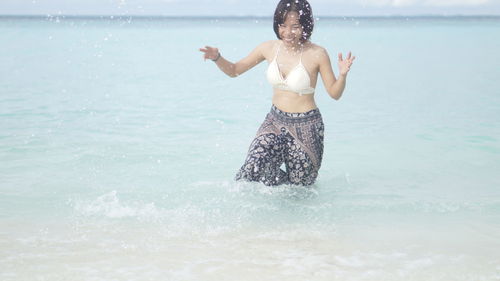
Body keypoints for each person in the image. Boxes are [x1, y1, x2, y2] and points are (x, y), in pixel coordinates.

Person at [199, 0, 355, 186]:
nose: (288, 32)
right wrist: (217, 58)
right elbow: (234, 70)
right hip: (275, 121)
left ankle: (288, 208)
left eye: (295, 26)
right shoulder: (269, 48)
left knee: (299, 190)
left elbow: (334, 93)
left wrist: (343, 75)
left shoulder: (317, 53)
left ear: (305, 25)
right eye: (283, 25)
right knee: (253, 168)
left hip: (306, 127)